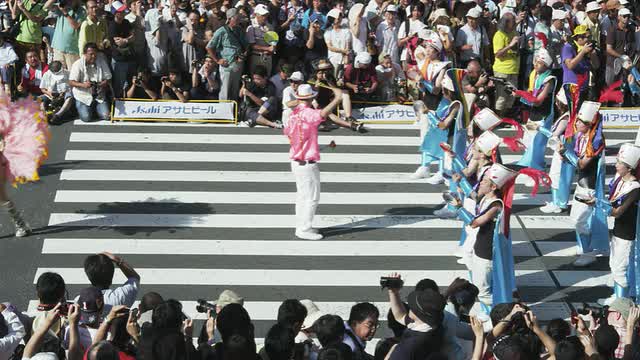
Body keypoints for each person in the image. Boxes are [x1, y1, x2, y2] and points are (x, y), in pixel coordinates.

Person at [283, 83, 344, 240]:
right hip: (306, 163)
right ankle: (304, 229)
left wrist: (323, 147)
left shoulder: (293, 115)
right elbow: (322, 114)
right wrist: (337, 98)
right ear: (311, 98)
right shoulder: (308, 113)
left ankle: (301, 225)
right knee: (311, 198)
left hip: (296, 161)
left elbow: (299, 140)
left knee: (302, 196)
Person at [558, 101, 609, 267]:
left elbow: (581, 164)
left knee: (580, 220)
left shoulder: (595, 142)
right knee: (577, 219)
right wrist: (564, 153)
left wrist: (566, 152)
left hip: (590, 187)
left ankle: (588, 253)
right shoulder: (582, 136)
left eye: (579, 121)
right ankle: (583, 247)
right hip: (581, 184)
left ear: (588, 124)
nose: (576, 123)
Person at [596, 143, 640, 305]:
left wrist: (598, 204)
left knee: (620, 268)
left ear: (629, 168)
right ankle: (618, 296)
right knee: (614, 264)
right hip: (618, 231)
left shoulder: (635, 188)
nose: (616, 165)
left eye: (619, 163)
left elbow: (618, 211)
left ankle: (622, 302)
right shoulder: (620, 182)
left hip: (627, 234)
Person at [411, 31, 450, 182]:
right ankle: (425, 166)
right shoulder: (423, 64)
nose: (426, 50)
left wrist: (424, 82)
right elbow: (423, 89)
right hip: (427, 104)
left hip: (439, 105)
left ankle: (442, 170)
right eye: (426, 47)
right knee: (425, 135)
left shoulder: (443, 66)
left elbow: (437, 88)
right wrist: (419, 82)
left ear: (437, 51)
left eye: (430, 48)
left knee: (439, 137)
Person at [515, 49, 557, 171]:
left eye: (538, 62)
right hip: (534, 113)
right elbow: (532, 95)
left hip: (544, 114)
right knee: (528, 140)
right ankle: (530, 165)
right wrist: (519, 94)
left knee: (537, 142)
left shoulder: (549, 79)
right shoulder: (536, 75)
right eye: (535, 62)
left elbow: (539, 100)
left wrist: (521, 95)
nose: (535, 64)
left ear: (545, 64)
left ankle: (535, 168)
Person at [385, 287, 445, 360]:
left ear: (418, 313)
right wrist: (393, 292)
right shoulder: (436, 328)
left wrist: (390, 354)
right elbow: (400, 316)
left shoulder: (407, 348)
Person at [540, 88, 573, 213]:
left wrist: (540, 129)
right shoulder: (567, 115)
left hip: (562, 150)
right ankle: (558, 202)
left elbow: (554, 135)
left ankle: (558, 203)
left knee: (557, 176)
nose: (556, 104)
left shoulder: (566, 117)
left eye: (557, 101)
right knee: (560, 176)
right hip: (563, 150)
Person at [207, 8, 247, 101]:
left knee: (235, 90)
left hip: (238, 64)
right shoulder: (222, 31)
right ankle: (224, 112)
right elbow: (209, 47)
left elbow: (246, 46)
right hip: (226, 65)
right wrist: (217, 60)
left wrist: (243, 55)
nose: (239, 20)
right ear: (230, 18)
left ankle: (233, 111)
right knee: (225, 91)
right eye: (237, 18)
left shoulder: (240, 30)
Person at [69, 42, 112, 122]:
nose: (94, 56)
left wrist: (103, 83)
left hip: (99, 96)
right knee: (86, 118)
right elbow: (71, 82)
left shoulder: (101, 61)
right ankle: (82, 107)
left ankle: (94, 108)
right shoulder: (77, 64)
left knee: (106, 116)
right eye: (91, 54)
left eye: (95, 54)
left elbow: (108, 78)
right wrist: (83, 85)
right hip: (83, 96)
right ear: (85, 54)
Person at [492, 11, 520, 117]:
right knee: (501, 97)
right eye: (513, 20)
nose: (515, 22)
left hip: (514, 70)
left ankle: (505, 118)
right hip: (502, 71)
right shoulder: (499, 35)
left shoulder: (514, 33)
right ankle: (497, 119)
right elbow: (498, 54)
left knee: (511, 97)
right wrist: (510, 45)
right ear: (506, 23)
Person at [45, 0, 85, 70]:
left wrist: (65, 13)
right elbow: (46, 6)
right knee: (58, 74)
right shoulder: (61, 5)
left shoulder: (82, 11)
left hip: (72, 49)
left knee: (72, 75)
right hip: (58, 48)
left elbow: (75, 26)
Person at [108, 1, 135, 98]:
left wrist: (125, 40)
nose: (124, 12)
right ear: (115, 13)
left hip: (129, 57)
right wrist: (128, 39)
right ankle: (117, 105)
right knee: (118, 86)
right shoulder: (112, 26)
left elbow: (133, 37)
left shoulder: (126, 22)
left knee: (130, 83)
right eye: (121, 11)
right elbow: (118, 43)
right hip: (118, 59)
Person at [562, 25, 593, 102]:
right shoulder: (568, 47)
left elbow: (596, 65)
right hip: (573, 86)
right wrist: (582, 52)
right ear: (579, 38)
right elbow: (570, 65)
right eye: (588, 37)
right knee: (574, 113)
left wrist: (593, 54)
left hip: (584, 87)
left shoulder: (586, 48)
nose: (590, 39)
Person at [605, 7, 634, 87]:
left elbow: (632, 45)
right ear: (619, 17)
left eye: (628, 16)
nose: (627, 18)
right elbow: (609, 49)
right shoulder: (612, 30)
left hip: (625, 65)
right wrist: (621, 56)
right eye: (624, 16)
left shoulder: (630, 30)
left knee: (622, 88)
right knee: (610, 87)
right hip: (612, 64)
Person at [40, 60, 73, 124]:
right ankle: (45, 116)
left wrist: (63, 94)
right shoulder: (46, 74)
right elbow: (42, 89)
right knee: (40, 101)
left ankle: (58, 115)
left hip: (64, 94)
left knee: (69, 97)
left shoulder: (68, 73)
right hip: (51, 94)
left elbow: (71, 87)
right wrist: (49, 94)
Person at [246, 3, 275, 76]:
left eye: (266, 15)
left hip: (268, 58)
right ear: (256, 14)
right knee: (255, 79)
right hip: (256, 57)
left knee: (266, 78)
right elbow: (252, 45)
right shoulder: (251, 27)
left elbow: (273, 43)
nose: (264, 17)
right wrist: (268, 48)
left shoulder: (270, 27)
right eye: (262, 15)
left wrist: (268, 33)